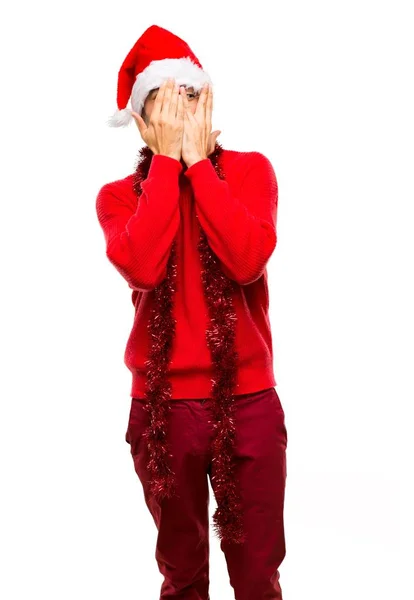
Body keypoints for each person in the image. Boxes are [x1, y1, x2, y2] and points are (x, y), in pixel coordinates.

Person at [96, 24, 288, 600]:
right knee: (182, 576)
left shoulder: (252, 171)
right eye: (164, 99)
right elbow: (144, 266)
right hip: (161, 411)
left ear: (207, 100)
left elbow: (247, 258)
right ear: (141, 118)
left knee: (257, 576)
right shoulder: (118, 196)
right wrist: (165, 166)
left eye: (190, 95)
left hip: (249, 401)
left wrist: (201, 166)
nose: (180, 113)